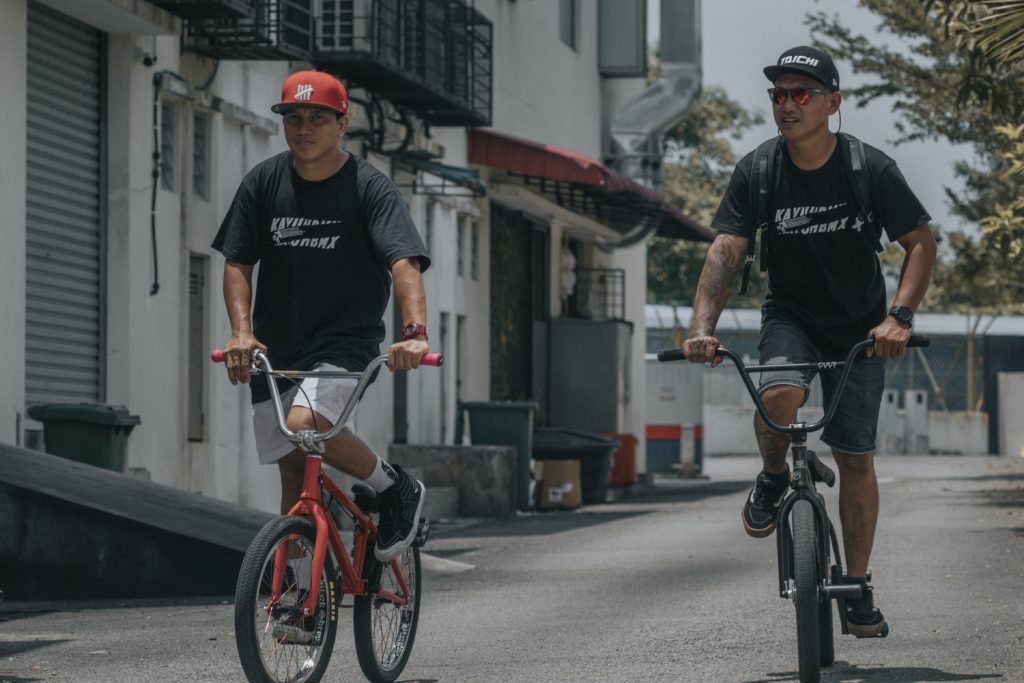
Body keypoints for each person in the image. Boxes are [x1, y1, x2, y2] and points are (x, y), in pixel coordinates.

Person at [683, 46, 936, 637]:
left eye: (801, 94)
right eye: (778, 94)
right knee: (777, 399)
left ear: (833, 103)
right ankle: (775, 475)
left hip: (862, 328)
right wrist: (701, 330)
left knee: (855, 458)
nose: (787, 105)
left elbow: (920, 244)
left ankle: (858, 586)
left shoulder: (869, 168)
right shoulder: (758, 171)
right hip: (791, 317)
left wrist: (899, 318)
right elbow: (726, 250)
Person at [212, 70, 430, 562]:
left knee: (306, 424)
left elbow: (404, 263)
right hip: (276, 348)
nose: (304, 128)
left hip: (344, 344)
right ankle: (302, 593)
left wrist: (414, 333)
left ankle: (395, 487)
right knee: (293, 473)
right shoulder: (263, 182)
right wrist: (241, 332)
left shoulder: (370, 188)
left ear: (342, 124)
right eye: (294, 118)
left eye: (317, 118)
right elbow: (237, 261)